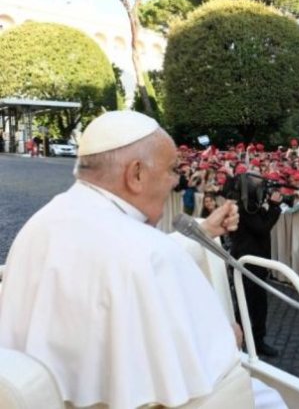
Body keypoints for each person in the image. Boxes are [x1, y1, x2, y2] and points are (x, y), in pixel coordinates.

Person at [0, 111, 277, 409]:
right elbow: (209, 361)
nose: (175, 181)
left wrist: (205, 229)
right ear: (136, 174)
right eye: (172, 169)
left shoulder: (41, 223)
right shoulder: (148, 252)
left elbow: (124, 258)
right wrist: (228, 336)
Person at [228, 173, 284, 357]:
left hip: (255, 262)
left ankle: (253, 339)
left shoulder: (249, 205)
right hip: (248, 263)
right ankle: (238, 339)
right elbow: (262, 228)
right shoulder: (245, 208)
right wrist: (275, 207)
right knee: (249, 303)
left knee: (256, 304)